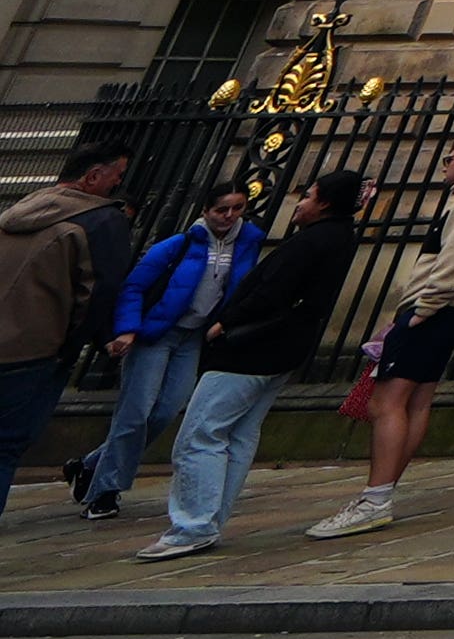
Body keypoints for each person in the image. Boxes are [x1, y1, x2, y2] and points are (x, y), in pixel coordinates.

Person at [139, 171, 365, 560]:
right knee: (240, 434)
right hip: (284, 349)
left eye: (308, 196)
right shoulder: (340, 237)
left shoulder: (311, 242)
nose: (300, 203)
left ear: (324, 203)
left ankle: (191, 525)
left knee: (201, 434)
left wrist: (223, 324)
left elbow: (273, 292)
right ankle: (208, 520)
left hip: (251, 349)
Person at [309, 131, 454, 539]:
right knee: (418, 400)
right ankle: (382, 490)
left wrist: (422, 309)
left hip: (439, 307)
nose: (445, 166)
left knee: (385, 400)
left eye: (450, 158)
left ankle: (375, 498)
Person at [71, 180, 254, 518]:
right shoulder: (179, 244)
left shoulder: (247, 245)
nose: (229, 216)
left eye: (237, 208)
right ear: (205, 211)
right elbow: (135, 286)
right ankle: (105, 491)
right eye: (221, 209)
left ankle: (90, 463)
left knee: (166, 412)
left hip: (193, 336)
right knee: (135, 413)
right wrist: (126, 329)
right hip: (157, 334)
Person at [0, 129, 139, 520]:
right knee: (6, 445)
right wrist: (83, 342)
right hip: (33, 351)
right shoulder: (102, 220)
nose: (119, 185)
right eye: (117, 175)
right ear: (93, 177)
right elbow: (99, 292)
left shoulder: (24, 207)